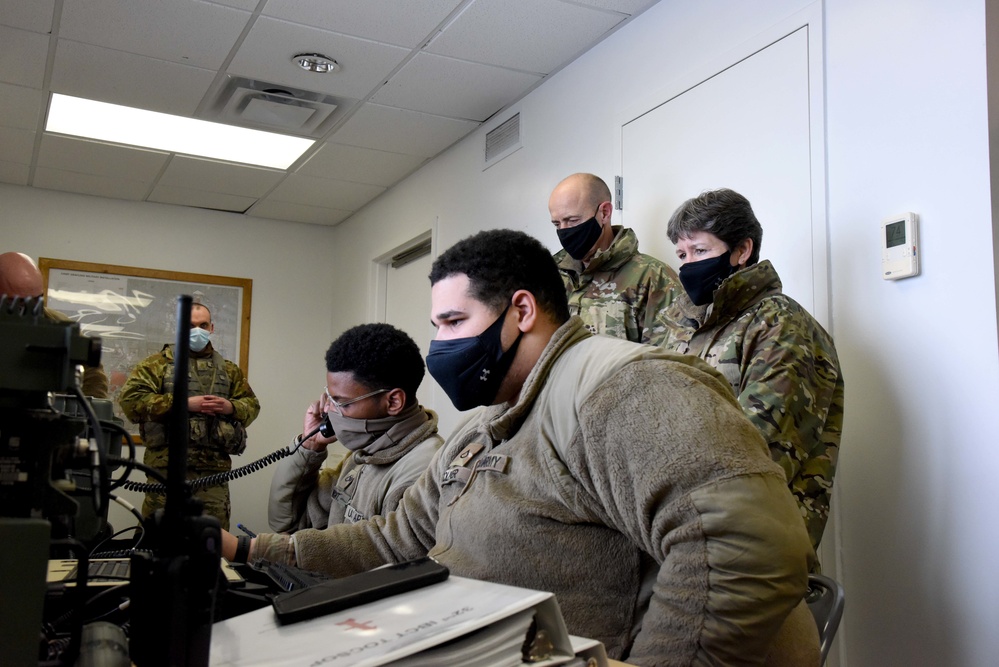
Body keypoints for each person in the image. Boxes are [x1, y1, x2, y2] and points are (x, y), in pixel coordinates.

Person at [223, 229, 818, 665]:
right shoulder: (484, 424)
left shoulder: (624, 386)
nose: (438, 345)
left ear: (522, 311)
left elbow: (748, 547)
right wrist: (249, 550)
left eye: (453, 323)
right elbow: (397, 536)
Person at [659, 188, 845, 554]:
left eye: (701, 251)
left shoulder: (780, 324)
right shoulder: (691, 328)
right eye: (682, 254)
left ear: (742, 251)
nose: (688, 264)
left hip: (754, 548)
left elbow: (756, 451)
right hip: (686, 538)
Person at [266, 323, 443, 536]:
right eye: (329, 398)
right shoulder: (366, 452)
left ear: (394, 401)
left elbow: (387, 560)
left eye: (343, 403)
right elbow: (291, 523)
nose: (329, 409)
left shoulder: (423, 470)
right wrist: (308, 447)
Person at [118, 299, 259, 530]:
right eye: (191, 325)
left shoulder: (229, 370)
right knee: (159, 541)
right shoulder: (156, 365)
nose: (197, 331)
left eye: (203, 325)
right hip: (166, 471)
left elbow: (252, 405)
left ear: (211, 329)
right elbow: (131, 401)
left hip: (212, 474)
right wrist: (183, 404)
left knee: (211, 543)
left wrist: (230, 407)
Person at [548, 172, 680, 344]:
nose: (564, 231)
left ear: (604, 213)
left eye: (572, 220)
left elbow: (670, 362)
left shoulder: (653, 277)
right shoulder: (550, 275)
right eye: (557, 224)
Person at [0, 251, 109, 398]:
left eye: (37, 300)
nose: (29, 309)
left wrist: (78, 409)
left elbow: (92, 374)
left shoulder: (58, 325)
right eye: (18, 304)